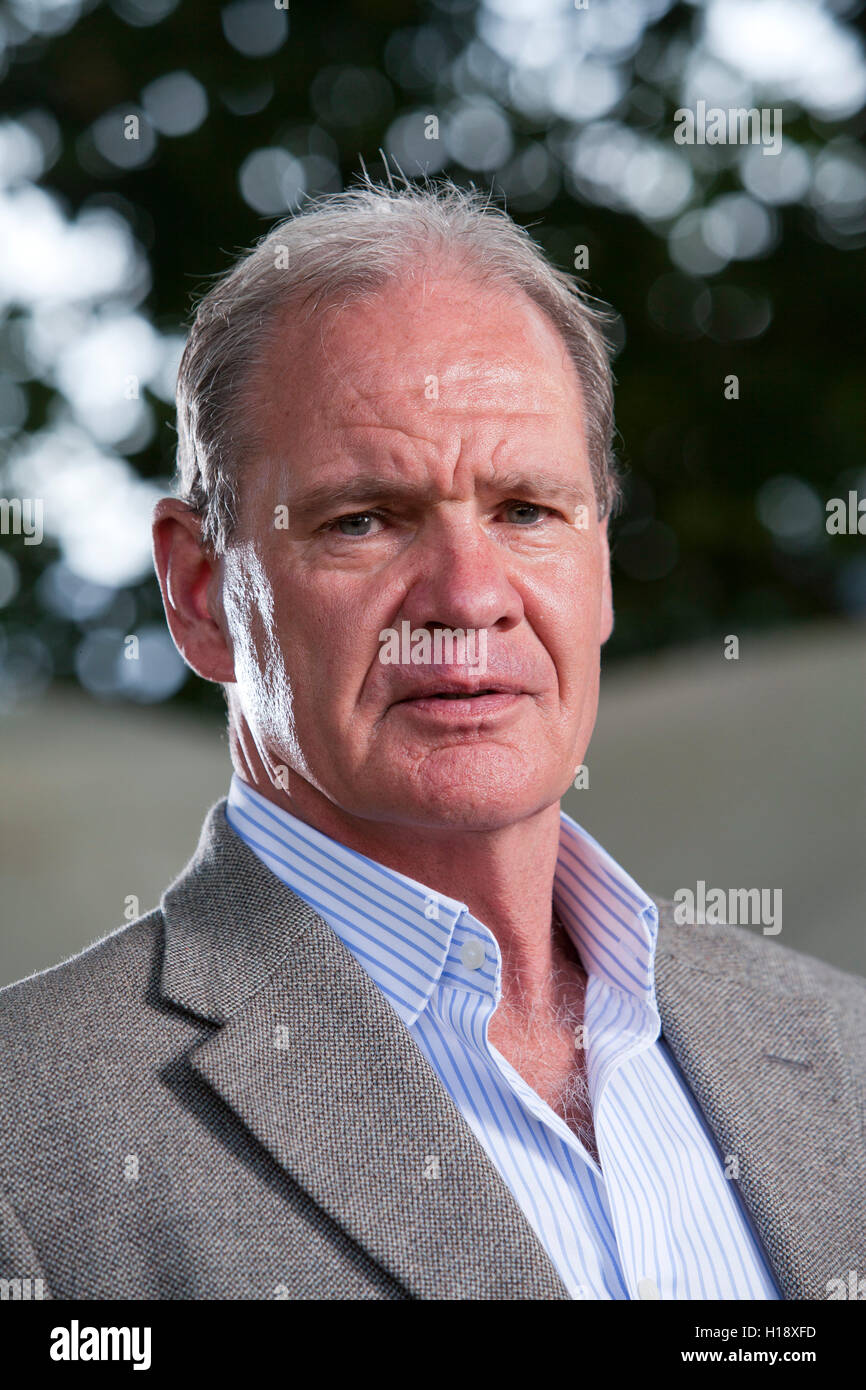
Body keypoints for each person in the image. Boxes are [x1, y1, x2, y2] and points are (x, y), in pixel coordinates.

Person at [1, 179, 863, 1301]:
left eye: (524, 511)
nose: (467, 596)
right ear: (202, 593)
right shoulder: (29, 1138)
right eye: (362, 519)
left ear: (599, 563)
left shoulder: (838, 1047)